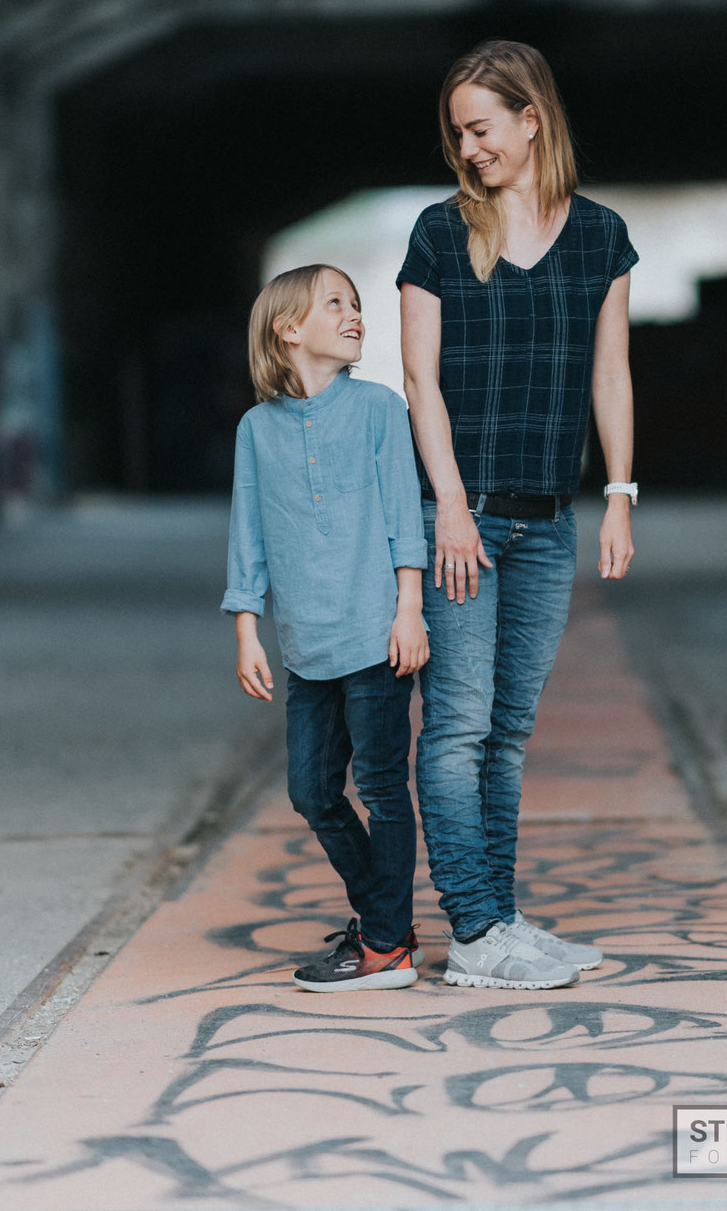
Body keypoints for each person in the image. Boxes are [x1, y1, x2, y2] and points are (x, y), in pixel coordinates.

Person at [398, 39, 638, 990]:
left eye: (483, 128)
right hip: (463, 517)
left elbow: (611, 372)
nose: (468, 148)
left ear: (531, 119)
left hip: (549, 523)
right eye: (458, 132)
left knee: (508, 730)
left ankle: (498, 920)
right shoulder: (437, 230)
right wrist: (450, 508)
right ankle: (473, 933)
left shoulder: (602, 236)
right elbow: (420, 379)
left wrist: (619, 494)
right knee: (455, 727)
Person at [222, 264, 429, 991]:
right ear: (288, 329)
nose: (354, 314)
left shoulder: (377, 409)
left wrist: (410, 609)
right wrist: (247, 627)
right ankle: (387, 924)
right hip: (306, 648)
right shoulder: (256, 429)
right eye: (334, 303)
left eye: (355, 304)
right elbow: (248, 532)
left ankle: (382, 947)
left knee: (379, 785)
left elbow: (406, 514)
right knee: (311, 791)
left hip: (376, 634)